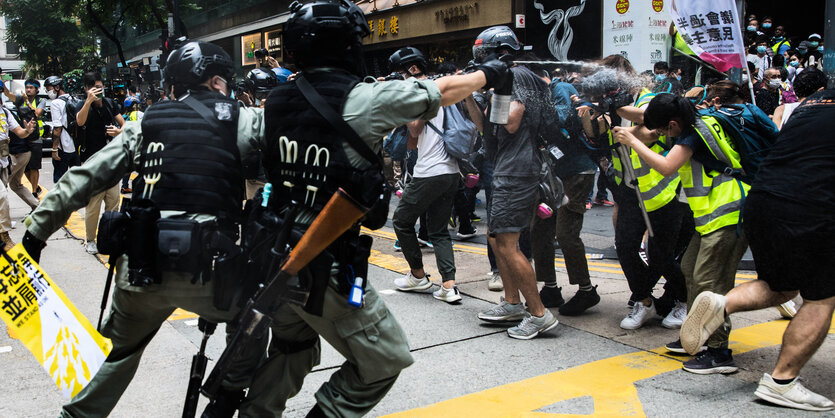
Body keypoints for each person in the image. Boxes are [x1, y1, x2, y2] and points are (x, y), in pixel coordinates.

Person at [238, 1, 512, 415]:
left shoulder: (275, 102)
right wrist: (489, 72)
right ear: (346, 45)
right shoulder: (365, 99)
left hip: (271, 253)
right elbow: (444, 91)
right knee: (384, 361)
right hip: (322, 259)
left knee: (293, 348)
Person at [21, 40, 268, 417]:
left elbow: (83, 178)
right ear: (218, 82)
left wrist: (35, 233)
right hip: (213, 273)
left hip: (141, 270)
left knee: (115, 356)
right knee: (252, 320)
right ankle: (228, 395)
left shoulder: (145, 124)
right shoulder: (244, 119)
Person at [680, 89, 835, 412]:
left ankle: (722, 303)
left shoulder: (810, 104)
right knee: (821, 295)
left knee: (778, 285)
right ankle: (781, 381)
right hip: (809, 205)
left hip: (762, 199)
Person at [612, 91, 776, 374]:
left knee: (712, 283)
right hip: (710, 216)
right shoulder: (692, 117)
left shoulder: (692, 134)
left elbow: (666, 166)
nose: (660, 134)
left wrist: (633, 141)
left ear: (672, 125)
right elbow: (638, 116)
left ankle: (719, 353)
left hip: (727, 213)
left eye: (662, 130)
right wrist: (617, 106)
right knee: (689, 270)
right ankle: (699, 336)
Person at [472, 25, 559, 340]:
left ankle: (538, 314)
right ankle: (512, 303)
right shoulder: (510, 77)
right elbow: (488, 128)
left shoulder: (517, 76)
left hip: (516, 169)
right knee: (497, 238)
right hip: (507, 166)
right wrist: (473, 96)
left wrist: (493, 93)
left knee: (508, 244)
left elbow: (511, 121)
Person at [390, 46, 463, 304]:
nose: (400, 78)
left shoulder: (418, 90)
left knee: (401, 219)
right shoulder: (443, 87)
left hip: (429, 171)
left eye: (401, 73)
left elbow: (414, 130)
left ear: (411, 69)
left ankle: (418, 276)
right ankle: (449, 286)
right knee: (439, 230)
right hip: (451, 170)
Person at [530, 68, 600, 314]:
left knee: (566, 233)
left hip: (576, 172)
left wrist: (529, 109)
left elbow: (557, 120)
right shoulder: (544, 93)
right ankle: (550, 287)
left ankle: (586, 290)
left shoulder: (560, 89)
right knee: (540, 229)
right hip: (554, 173)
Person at [75, 71, 126, 254]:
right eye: (95, 87)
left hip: (112, 161)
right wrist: (89, 101)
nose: (99, 90)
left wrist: (119, 132)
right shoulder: (81, 105)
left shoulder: (111, 104)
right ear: (87, 88)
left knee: (113, 203)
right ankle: (90, 240)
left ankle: (110, 238)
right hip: (92, 163)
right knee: (93, 205)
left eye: (101, 87)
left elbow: (124, 125)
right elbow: (80, 122)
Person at [45, 75, 82, 182]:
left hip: (63, 147)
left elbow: (57, 128)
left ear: (57, 88)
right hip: (75, 146)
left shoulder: (56, 103)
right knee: (77, 178)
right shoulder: (75, 99)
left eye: (49, 89)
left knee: (59, 180)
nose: (48, 92)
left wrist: (54, 149)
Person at [21, 79, 46, 198]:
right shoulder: (20, 101)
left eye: (31, 88)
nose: (28, 90)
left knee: (34, 167)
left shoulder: (41, 101)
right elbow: (8, 95)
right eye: (27, 87)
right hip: (23, 138)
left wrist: (27, 102)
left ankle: (34, 192)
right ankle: (36, 187)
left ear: (36, 89)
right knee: (25, 168)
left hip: (36, 139)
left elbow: (37, 113)